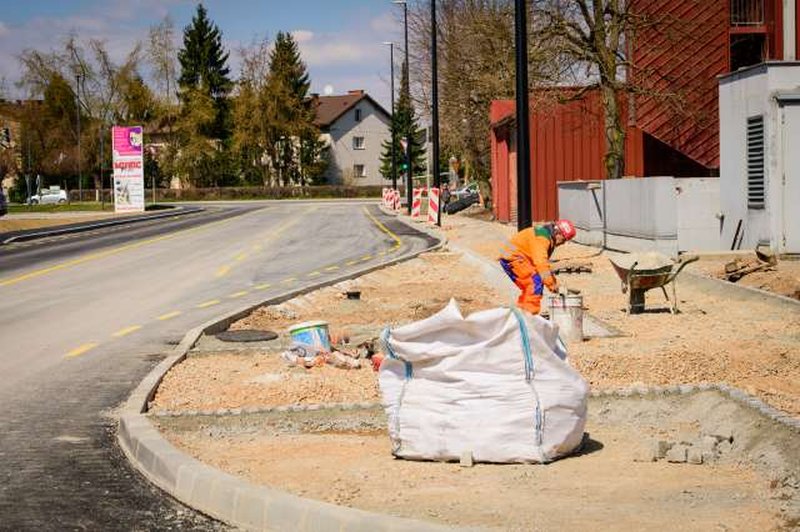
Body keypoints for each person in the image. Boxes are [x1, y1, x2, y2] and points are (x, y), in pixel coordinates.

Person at [499, 219, 577, 315]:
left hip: (515, 256)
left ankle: (522, 313)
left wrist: (554, 283)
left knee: (531, 285)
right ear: (558, 233)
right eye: (564, 239)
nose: (563, 243)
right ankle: (528, 317)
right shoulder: (542, 239)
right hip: (513, 257)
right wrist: (552, 285)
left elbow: (543, 267)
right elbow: (541, 264)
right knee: (534, 283)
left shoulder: (545, 233)